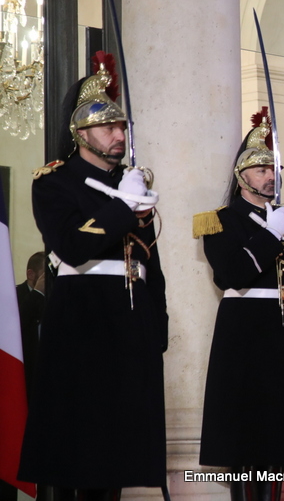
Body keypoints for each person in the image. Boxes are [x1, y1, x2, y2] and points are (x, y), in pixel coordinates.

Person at [18, 52, 169, 500]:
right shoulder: (54, 182)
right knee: (75, 450)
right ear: (81, 133)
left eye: (122, 127)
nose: (119, 135)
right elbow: (71, 245)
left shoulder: (132, 182)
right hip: (81, 323)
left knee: (117, 455)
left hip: (129, 324)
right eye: (108, 127)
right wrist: (122, 206)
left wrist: (156, 327)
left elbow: (149, 267)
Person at [195, 107, 284, 501]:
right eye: (261, 169)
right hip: (247, 336)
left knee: (281, 441)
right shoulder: (220, 220)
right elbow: (234, 274)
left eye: (273, 168)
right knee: (245, 438)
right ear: (242, 175)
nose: (271, 176)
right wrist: (270, 233)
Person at [15, 251, 47, 397]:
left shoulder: (55, 299)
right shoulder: (14, 295)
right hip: (22, 374)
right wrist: (38, 292)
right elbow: (16, 324)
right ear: (31, 275)